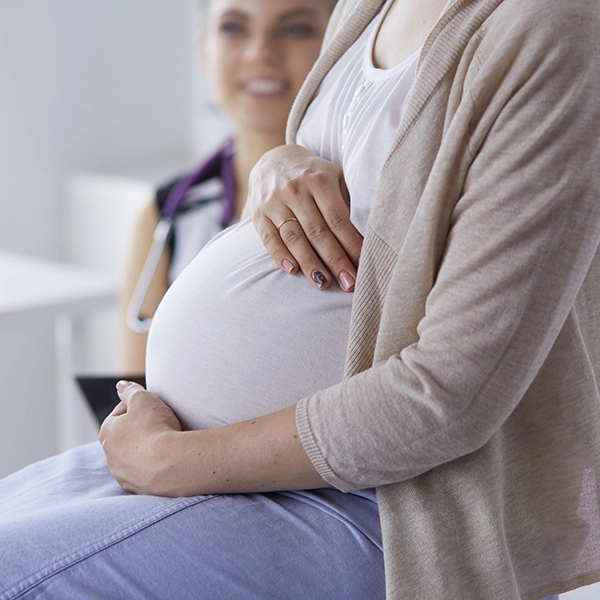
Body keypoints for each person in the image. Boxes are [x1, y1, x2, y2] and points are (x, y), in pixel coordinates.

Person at [1, 1, 599, 599]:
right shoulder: (369, 5)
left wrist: (170, 462)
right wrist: (278, 162)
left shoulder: (552, 25)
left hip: (376, 495)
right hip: (206, 451)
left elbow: (451, 393)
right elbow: (344, 185)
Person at [120, 0, 336, 374]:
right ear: (203, 49)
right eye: (234, 27)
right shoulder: (164, 214)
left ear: (341, 43)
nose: (259, 54)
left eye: (296, 28)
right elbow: (128, 397)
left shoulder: (364, 196)